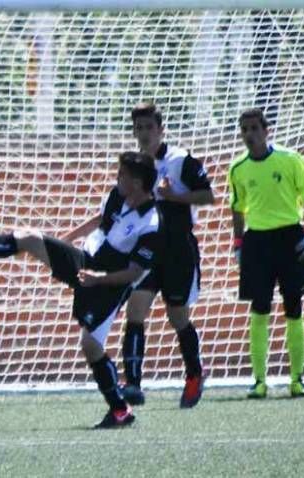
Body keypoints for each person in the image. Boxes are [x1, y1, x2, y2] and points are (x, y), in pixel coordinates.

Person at [0, 151, 162, 429]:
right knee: (29, 238)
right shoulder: (118, 195)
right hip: (85, 262)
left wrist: (97, 279)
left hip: (110, 285)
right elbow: (100, 219)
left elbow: (134, 273)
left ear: (139, 183)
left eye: (122, 175)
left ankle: (119, 410)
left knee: (91, 347)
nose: (117, 178)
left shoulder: (151, 223)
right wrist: (65, 240)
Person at [111, 102, 215, 408]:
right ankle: (132, 383)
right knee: (135, 311)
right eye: (138, 128)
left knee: (177, 316)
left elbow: (208, 195)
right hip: (147, 250)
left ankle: (194, 374)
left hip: (178, 250)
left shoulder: (179, 159)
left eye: (149, 127)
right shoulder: (133, 167)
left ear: (161, 129)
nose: (144, 134)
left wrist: (175, 197)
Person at [228, 108, 304, 399]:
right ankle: (259, 380)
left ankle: (297, 379)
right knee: (259, 308)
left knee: (293, 306)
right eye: (244, 129)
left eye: (254, 128)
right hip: (257, 243)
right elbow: (237, 208)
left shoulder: (289, 160)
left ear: (266, 131)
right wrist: (239, 244)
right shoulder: (238, 168)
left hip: (290, 237)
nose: (249, 134)